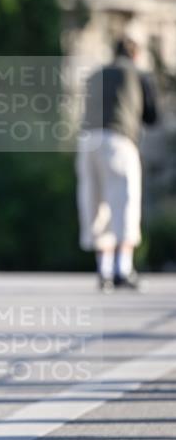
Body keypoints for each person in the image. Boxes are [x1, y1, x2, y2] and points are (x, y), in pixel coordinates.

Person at [76, 25, 159, 291]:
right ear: (135, 54)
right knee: (123, 202)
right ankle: (123, 269)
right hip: (118, 140)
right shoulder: (138, 73)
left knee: (95, 204)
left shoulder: (95, 75)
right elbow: (152, 116)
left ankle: (104, 271)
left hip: (87, 141)